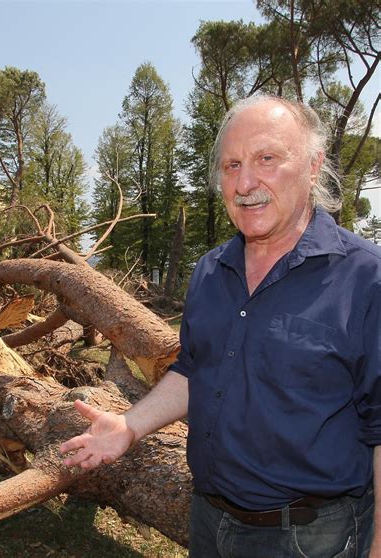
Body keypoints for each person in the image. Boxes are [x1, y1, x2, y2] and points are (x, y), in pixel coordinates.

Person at [59, 95, 381, 557]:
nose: (245, 182)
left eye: (266, 159)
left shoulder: (366, 278)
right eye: (231, 166)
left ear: (313, 166)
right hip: (209, 521)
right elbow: (195, 369)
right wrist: (129, 426)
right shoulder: (211, 270)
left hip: (311, 537)